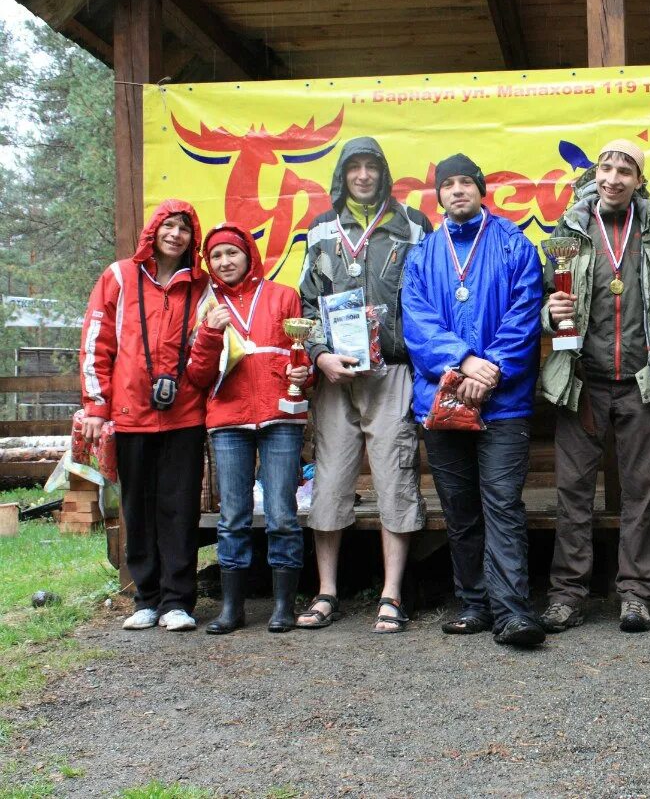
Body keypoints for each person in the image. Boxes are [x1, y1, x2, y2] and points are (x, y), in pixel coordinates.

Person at [538, 140, 650, 635]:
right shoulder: (570, 229)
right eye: (607, 167)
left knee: (639, 493)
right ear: (595, 173)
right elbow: (542, 297)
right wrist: (548, 314)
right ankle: (567, 595)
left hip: (641, 382)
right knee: (572, 492)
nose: (614, 178)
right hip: (582, 381)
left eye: (626, 170)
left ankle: (636, 593)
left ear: (639, 181)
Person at [402, 153, 546, 648]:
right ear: (437, 195)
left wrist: (492, 369)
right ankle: (473, 604)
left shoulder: (514, 245)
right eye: (448, 184)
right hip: (442, 400)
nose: (458, 190)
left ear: (481, 190)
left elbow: (526, 314)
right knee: (460, 510)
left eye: (466, 182)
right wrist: (463, 361)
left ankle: (512, 612)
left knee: (502, 505)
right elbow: (416, 323)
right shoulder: (421, 254)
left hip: (503, 403)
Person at [297, 137, 428, 633]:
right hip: (336, 375)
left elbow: (426, 294)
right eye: (355, 168)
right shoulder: (320, 230)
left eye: (373, 167)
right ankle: (326, 590)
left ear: (385, 173)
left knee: (396, 476)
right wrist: (319, 355)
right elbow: (307, 305)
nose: (364, 176)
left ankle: (392, 593)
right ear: (342, 175)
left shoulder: (412, 224)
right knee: (329, 480)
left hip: (392, 370)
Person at [80, 200, 208, 632]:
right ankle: (146, 598)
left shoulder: (201, 287)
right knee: (138, 507)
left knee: (180, 508)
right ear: (152, 231)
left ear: (193, 239)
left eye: (184, 229)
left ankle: (178, 602)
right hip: (130, 412)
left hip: (185, 415)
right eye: (168, 226)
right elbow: (97, 341)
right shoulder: (118, 277)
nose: (175, 235)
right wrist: (96, 405)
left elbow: (212, 352)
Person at [187, 223, 312, 634]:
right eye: (216, 256)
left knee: (281, 514)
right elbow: (198, 376)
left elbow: (303, 357)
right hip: (228, 419)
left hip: (280, 416)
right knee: (233, 516)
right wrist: (209, 332)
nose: (224, 262)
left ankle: (283, 607)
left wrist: (303, 372)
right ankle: (231, 609)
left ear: (248, 256)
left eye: (232, 254)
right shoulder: (205, 306)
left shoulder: (282, 296)